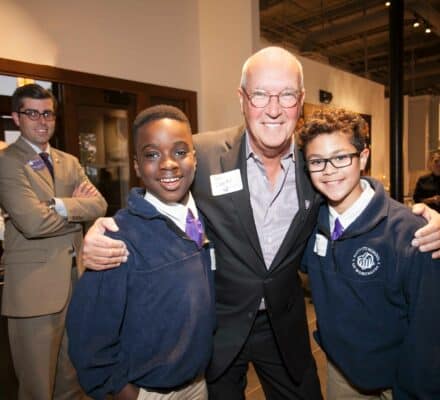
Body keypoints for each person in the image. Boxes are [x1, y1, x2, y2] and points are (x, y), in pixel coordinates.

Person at [80, 47, 440, 400]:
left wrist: (418, 220)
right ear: (241, 99)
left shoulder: (315, 160)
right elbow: (161, 187)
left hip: (285, 325)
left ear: (300, 101)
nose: (273, 108)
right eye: (260, 95)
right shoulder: (201, 154)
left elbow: (352, 198)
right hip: (218, 328)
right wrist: (106, 228)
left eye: (285, 95)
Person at [66, 105, 215, 400]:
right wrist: (129, 394)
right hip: (150, 392)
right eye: (152, 154)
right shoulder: (117, 238)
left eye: (180, 152)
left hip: (199, 383)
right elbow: (89, 341)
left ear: (195, 159)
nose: (168, 164)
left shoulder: (208, 218)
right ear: (136, 166)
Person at [299, 109, 440, 399]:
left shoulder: (410, 233)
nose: (329, 170)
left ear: (363, 158)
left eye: (340, 157)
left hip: (399, 379)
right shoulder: (310, 224)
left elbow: (428, 332)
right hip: (342, 372)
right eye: (317, 161)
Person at [0, 83, 107, 400]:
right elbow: (32, 224)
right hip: (34, 292)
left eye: (47, 113)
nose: (42, 121)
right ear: (16, 118)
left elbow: (99, 204)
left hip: (76, 284)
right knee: (37, 388)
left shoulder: (69, 162)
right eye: (32, 113)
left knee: (73, 383)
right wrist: (74, 206)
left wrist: (56, 206)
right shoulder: (8, 163)